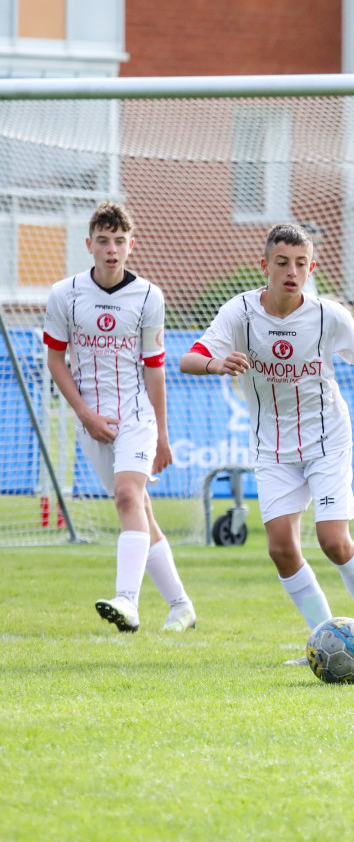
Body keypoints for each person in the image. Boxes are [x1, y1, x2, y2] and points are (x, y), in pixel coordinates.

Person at [182, 223, 354, 667]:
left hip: (326, 439)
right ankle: (329, 639)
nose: (291, 272)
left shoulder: (328, 315)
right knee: (280, 548)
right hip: (271, 447)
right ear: (265, 266)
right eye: (282, 263)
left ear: (311, 267)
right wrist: (216, 362)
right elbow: (188, 358)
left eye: (301, 264)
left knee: (332, 539)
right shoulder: (239, 312)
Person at [43, 202, 196, 634]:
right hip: (92, 420)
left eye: (120, 241)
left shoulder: (149, 296)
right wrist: (85, 415)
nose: (112, 249)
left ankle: (127, 602)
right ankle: (181, 605)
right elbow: (56, 361)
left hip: (136, 415)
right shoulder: (64, 294)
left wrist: (163, 435)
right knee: (140, 509)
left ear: (132, 245)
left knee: (128, 497)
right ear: (89, 244)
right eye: (104, 241)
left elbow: (154, 367)